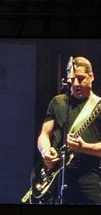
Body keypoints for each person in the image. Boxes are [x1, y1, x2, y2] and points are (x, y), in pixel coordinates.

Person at [35, 55, 101, 203]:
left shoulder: (98, 106)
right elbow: (44, 135)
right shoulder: (58, 102)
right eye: (72, 79)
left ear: (92, 77)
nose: (76, 84)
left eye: (81, 78)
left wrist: (84, 147)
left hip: (88, 176)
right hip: (56, 176)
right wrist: (45, 151)